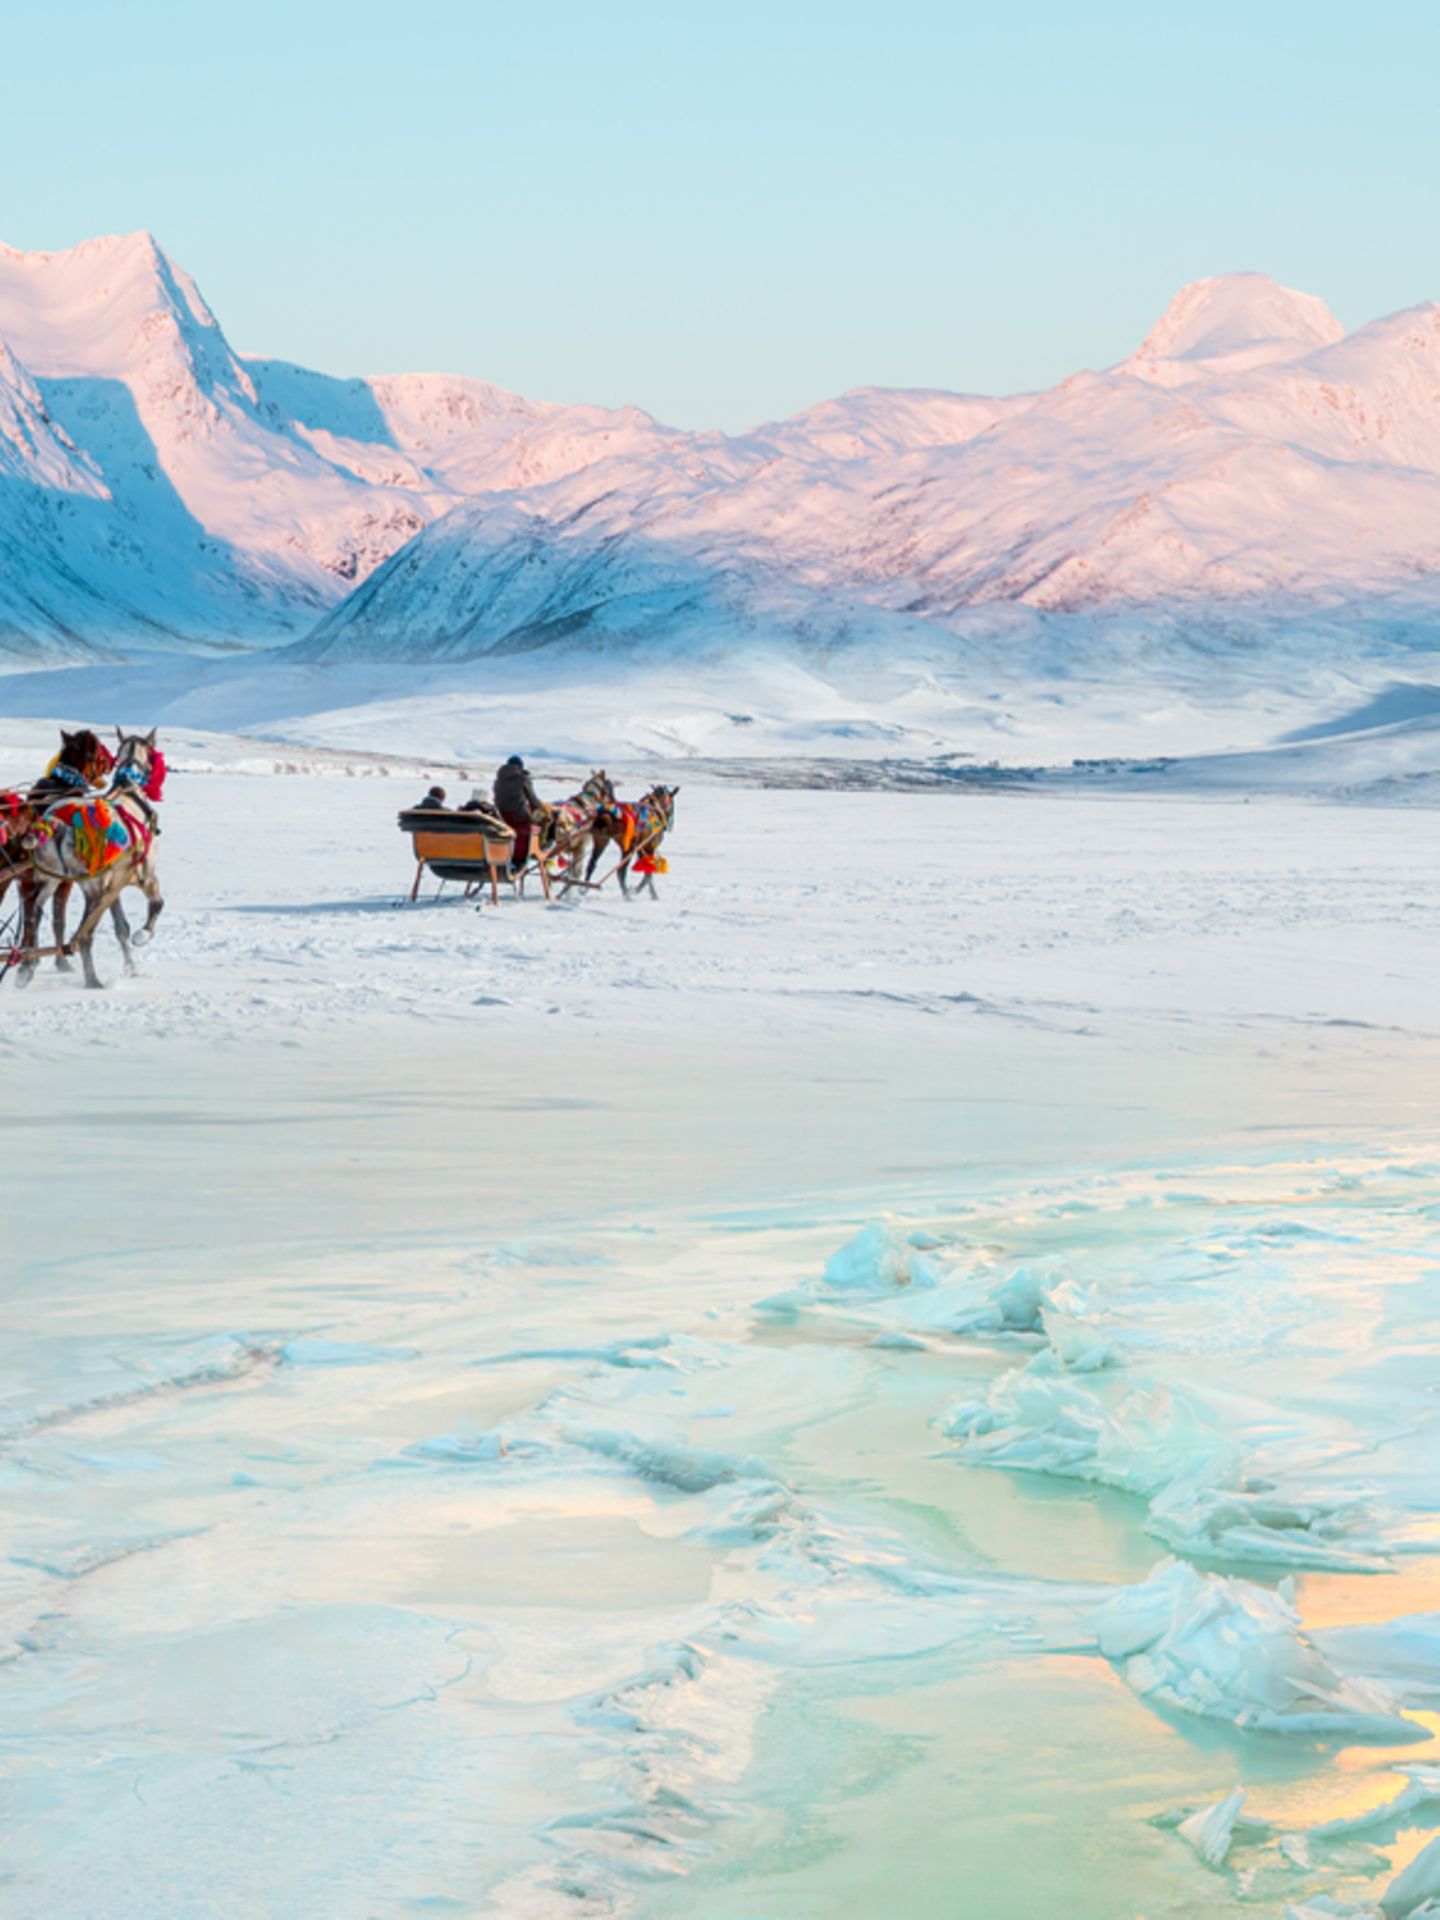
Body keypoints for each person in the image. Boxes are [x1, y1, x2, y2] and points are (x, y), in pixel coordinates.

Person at [493, 755, 543, 865]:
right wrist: (542, 808)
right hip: (519, 815)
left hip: (501, 815)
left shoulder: (498, 779)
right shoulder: (523, 778)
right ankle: (538, 849)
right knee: (543, 820)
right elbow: (532, 799)